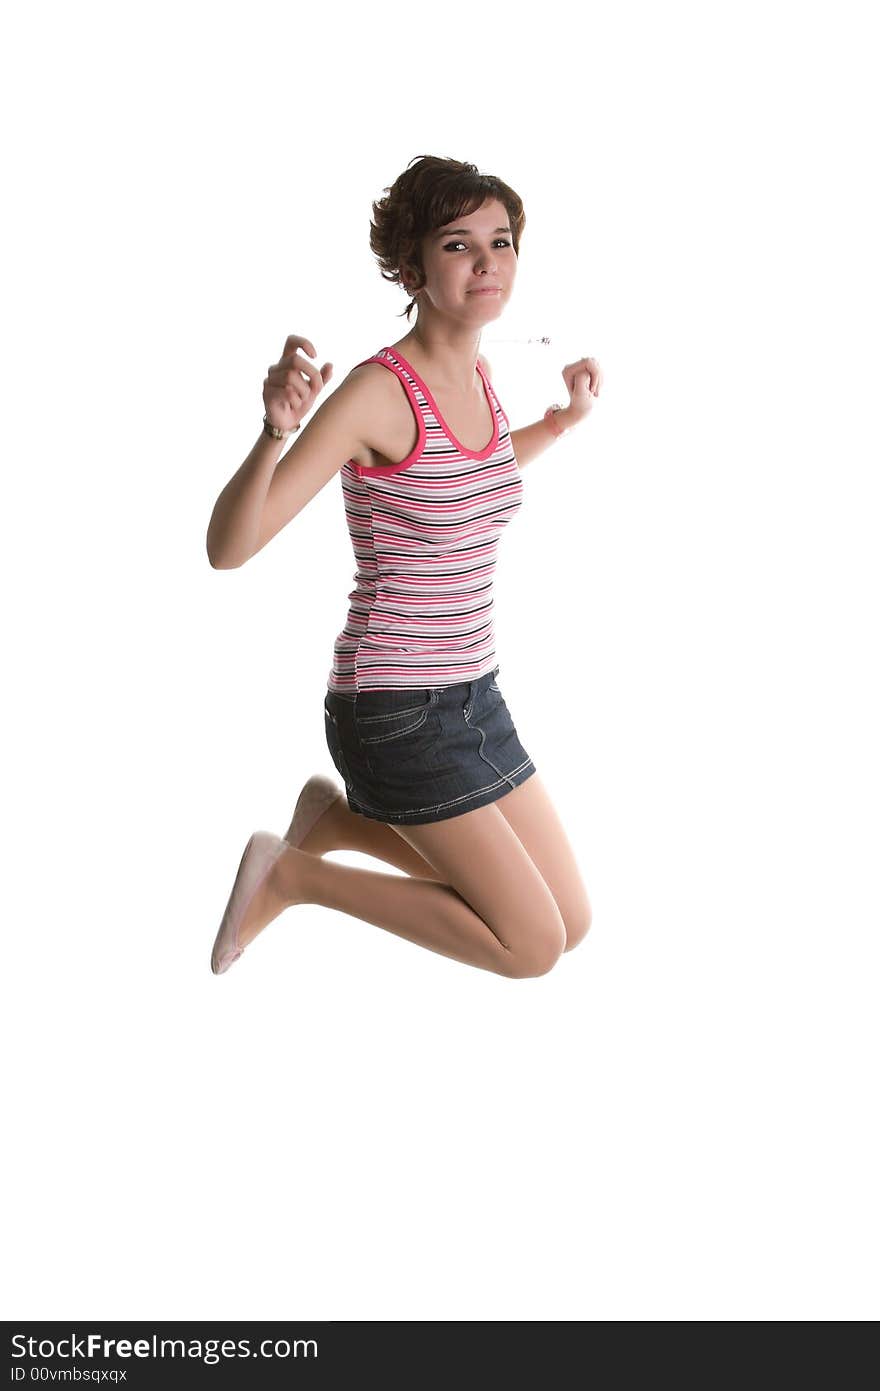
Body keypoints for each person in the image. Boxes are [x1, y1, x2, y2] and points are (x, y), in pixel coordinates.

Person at [206, 155, 602, 979]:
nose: (488, 261)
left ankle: (337, 822)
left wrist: (560, 424)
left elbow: (477, 470)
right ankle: (292, 874)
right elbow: (230, 547)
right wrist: (274, 430)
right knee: (530, 945)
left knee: (571, 919)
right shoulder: (377, 394)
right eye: (459, 245)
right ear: (413, 267)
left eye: (501, 240)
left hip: (474, 692)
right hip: (395, 708)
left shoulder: (480, 376)